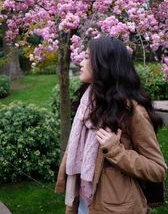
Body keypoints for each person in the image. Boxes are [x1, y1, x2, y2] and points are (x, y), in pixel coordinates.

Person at [55, 36, 167, 214]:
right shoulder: (87, 105)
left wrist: (116, 151)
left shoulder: (132, 111)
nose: (80, 62)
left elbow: (157, 169)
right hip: (83, 204)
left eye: (86, 57)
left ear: (103, 64)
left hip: (116, 208)